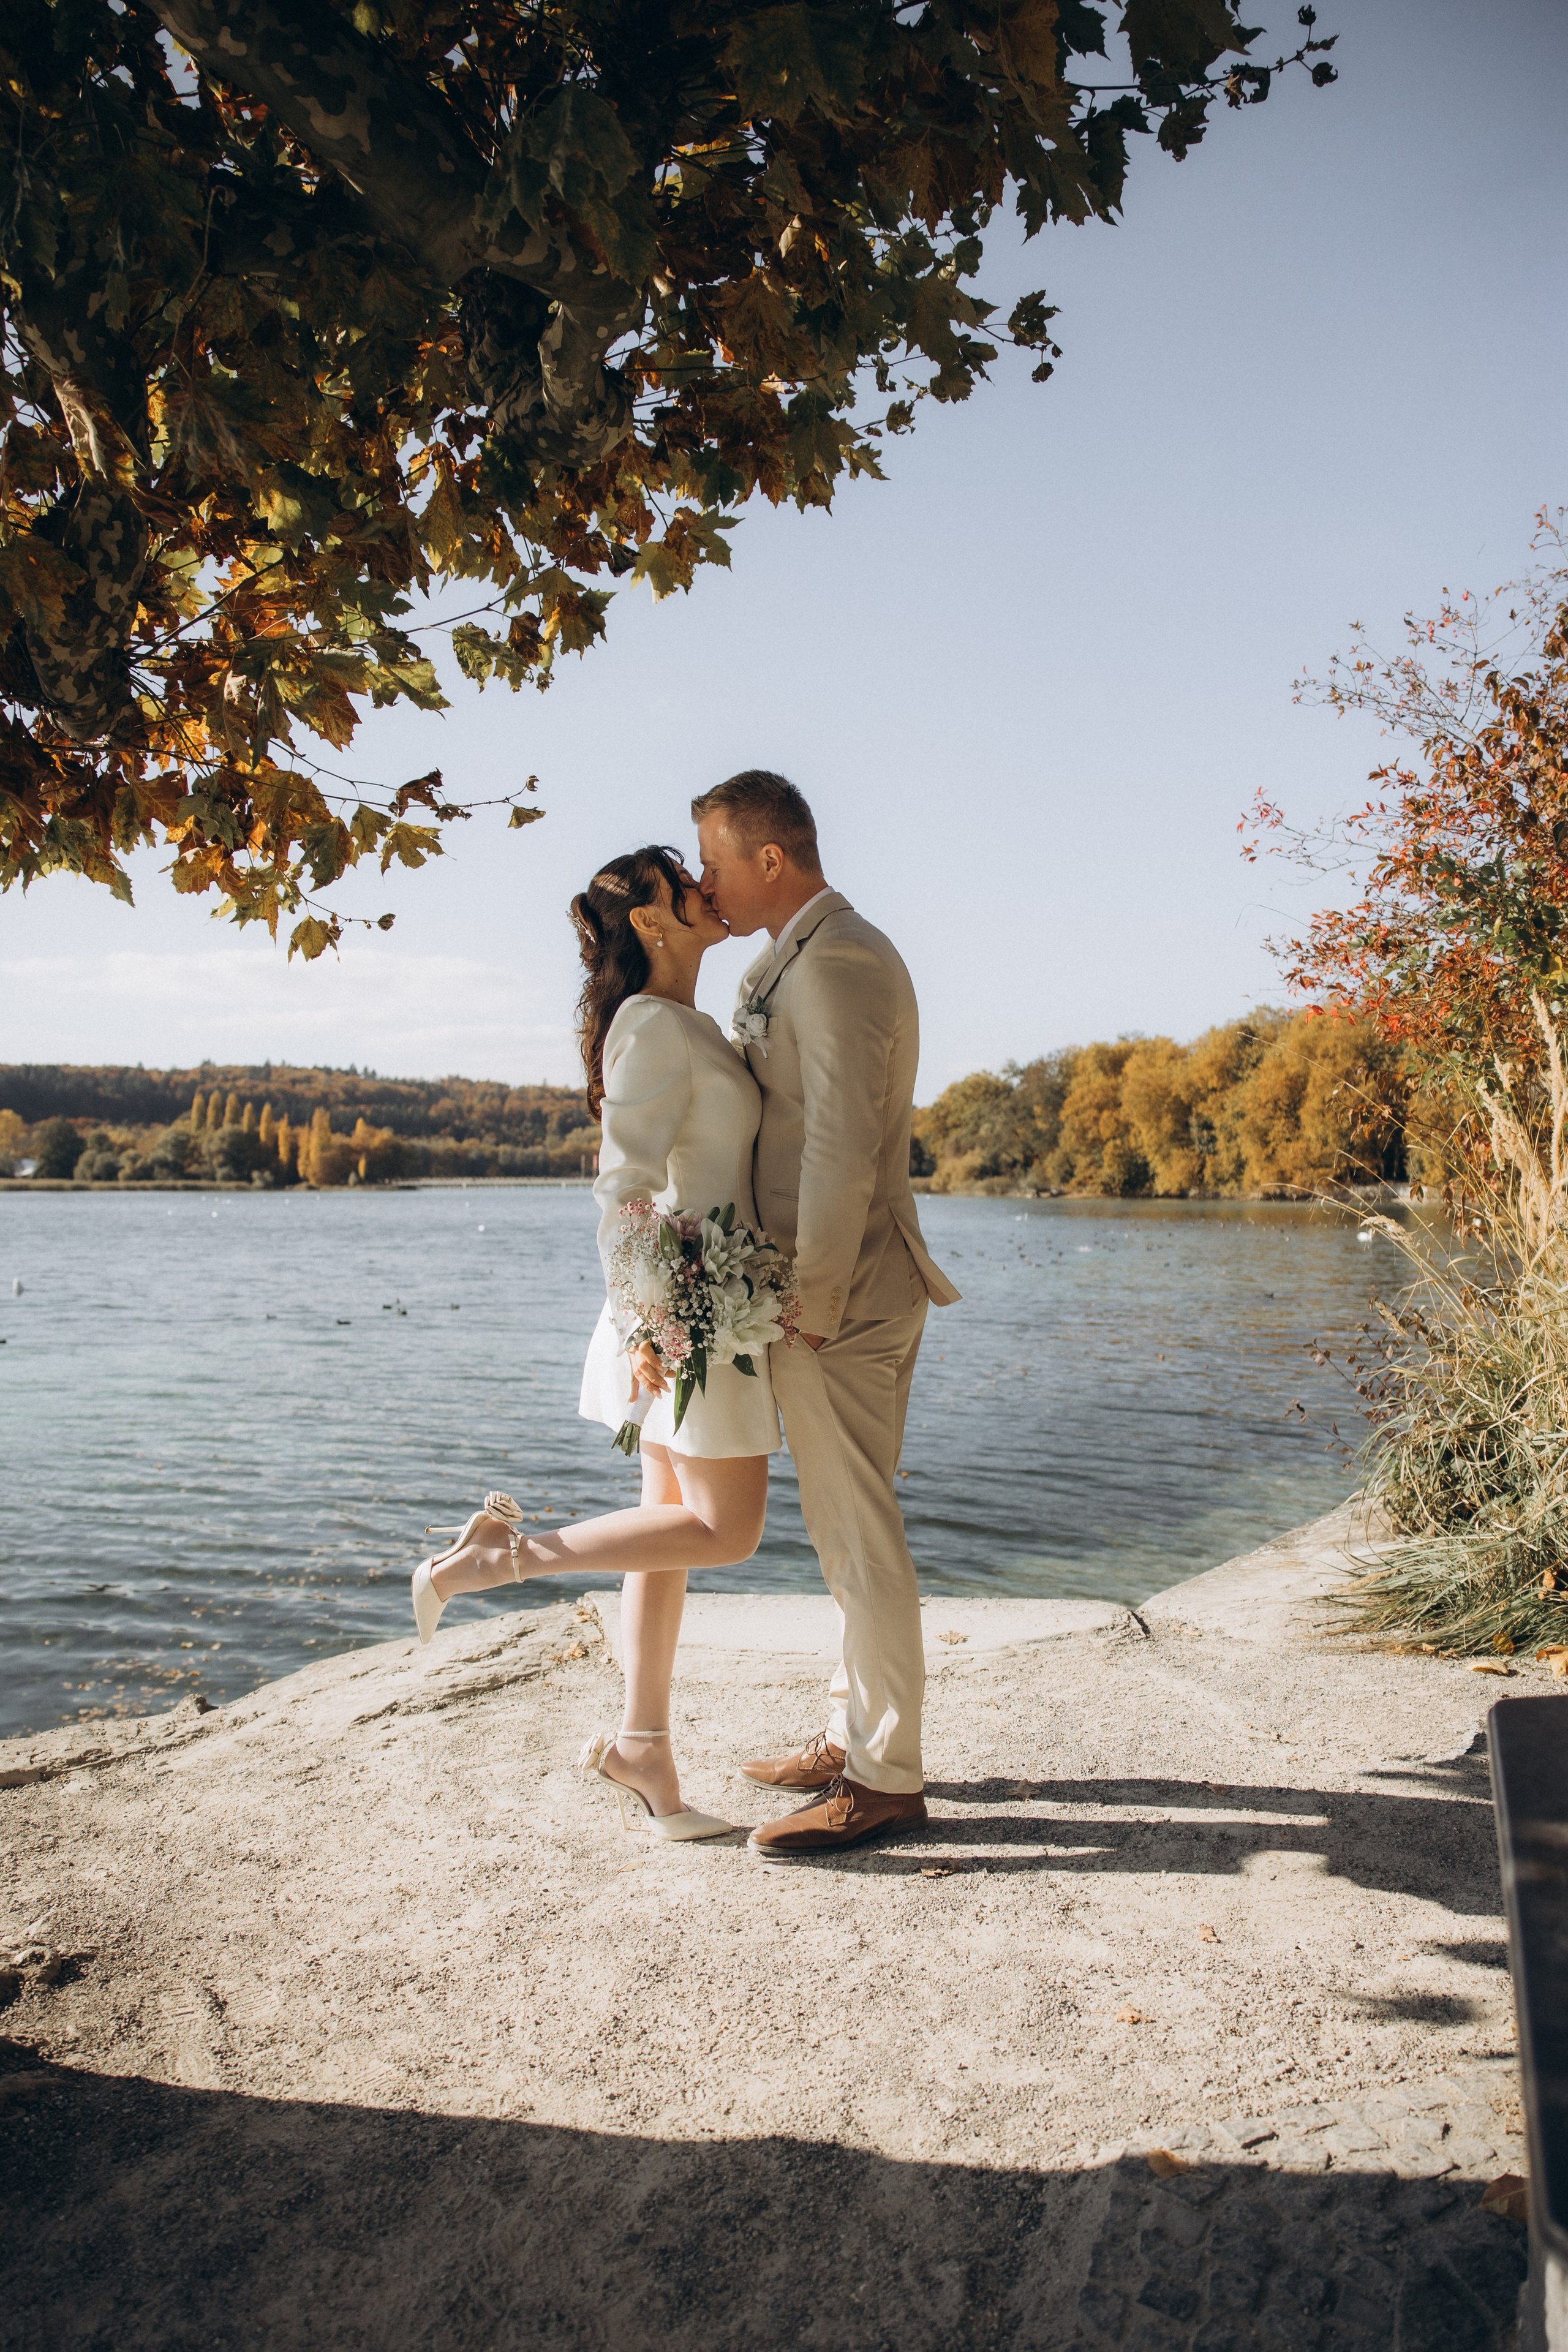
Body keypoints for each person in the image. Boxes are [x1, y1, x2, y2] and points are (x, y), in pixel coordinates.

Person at [410, 844, 780, 1844]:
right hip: (690, 1317)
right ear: (652, 922)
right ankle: (504, 1556)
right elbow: (622, 1186)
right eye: (684, 880)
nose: (708, 887)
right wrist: (657, 1318)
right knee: (727, 1531)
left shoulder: (689, 1021)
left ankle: (642, 1748)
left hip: (695, 1305)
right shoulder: (652, 1025)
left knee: (669, 1531)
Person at [693, 771, 960, 1858]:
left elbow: (843, 1143)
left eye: (713, 859)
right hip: (836, 1291)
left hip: (840, 1297)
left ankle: (886, 1779)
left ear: (769, 860)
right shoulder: (797, 956)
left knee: (859, 1535)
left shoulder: (841, 959)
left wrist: (808, 1297)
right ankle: (857, 1736)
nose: (705, 880)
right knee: (848, 1529)